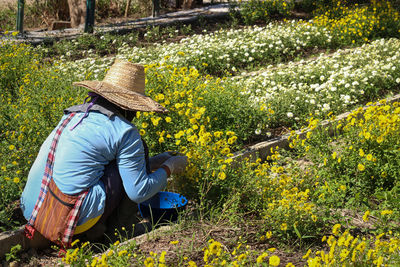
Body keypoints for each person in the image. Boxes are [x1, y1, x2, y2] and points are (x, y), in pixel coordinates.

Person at [20, 59, 188, 249]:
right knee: (139, 151)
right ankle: (117, 232)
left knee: (126, 161)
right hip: (68, 219)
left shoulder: (74, 114)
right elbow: (138, 191)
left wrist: (153, 162)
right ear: (130, 106)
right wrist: (169, 167)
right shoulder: (125, 131)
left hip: (33, 209)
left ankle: (93, 226)